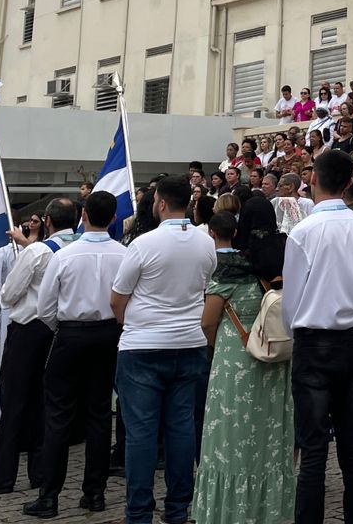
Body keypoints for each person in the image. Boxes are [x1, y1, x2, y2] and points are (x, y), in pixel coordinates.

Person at [112, 176, 219, 523]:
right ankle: (177, 509)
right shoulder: (206, 243)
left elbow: (117, 298)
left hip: (143, 346)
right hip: (188, 342)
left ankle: (139, 512)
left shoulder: (144, 244)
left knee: (141, 432)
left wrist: (133, 323)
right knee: (181, 427)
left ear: (160, 203)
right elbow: (204, 285)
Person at [283, 148, 353, 524]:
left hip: (313, 341)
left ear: (312, 179)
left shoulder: (303, 231)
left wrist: (297, 333)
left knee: (313, 450)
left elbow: (291, 299)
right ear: (350, 182)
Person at [28, 191, 127, 518]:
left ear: (84, 215)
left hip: (71, 334)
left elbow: (45, 307)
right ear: (113, 218)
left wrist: (64, 327)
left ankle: (49, 496)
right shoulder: (124, 254)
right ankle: (94, 493)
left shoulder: (65, 255)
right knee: (99, 414)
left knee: (58, 415)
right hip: (108, 334)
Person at [195, 205, 297, 524]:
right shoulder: (283, 261)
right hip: (276, 353)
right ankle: (267, 508)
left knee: (230, 433)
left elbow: (208, 321)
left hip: (235, 359)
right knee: (269, 434)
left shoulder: (230, 270)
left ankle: (231, 509)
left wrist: (219, 345)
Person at [0, 198, 78, 495]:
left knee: (15, 403)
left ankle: (4, 475)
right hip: (62, 330)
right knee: (46, 403)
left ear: (47, 221)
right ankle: (40, 472)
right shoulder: (81, 247)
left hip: (30, 328)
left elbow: (9, 294)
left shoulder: (38, 251)